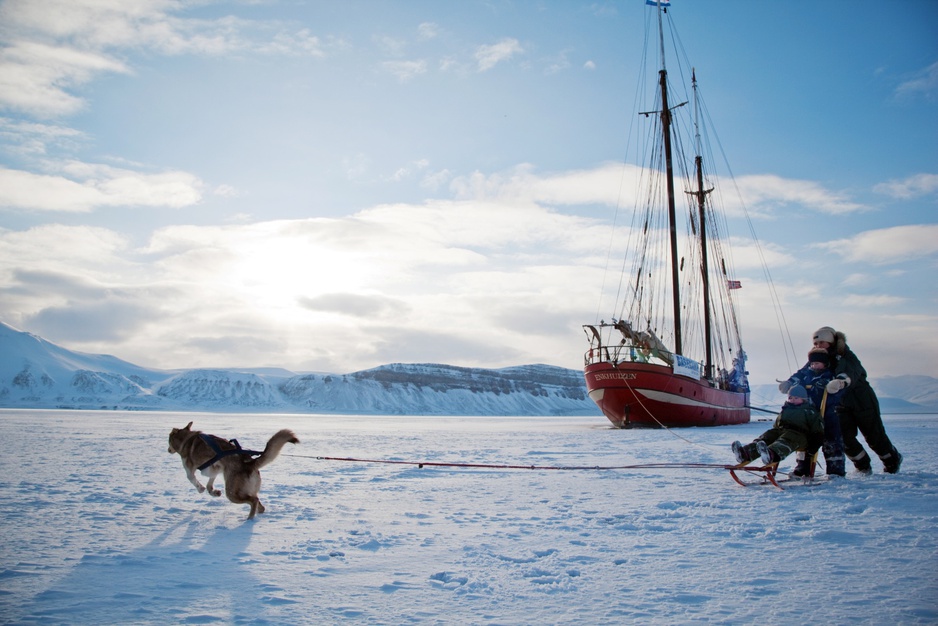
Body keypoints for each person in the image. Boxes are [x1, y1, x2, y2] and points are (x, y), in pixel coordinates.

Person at [812, 326, 902, 474]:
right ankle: (862, 465)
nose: (818, 346)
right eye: (816, 344)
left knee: (874, 436)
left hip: (862, 400)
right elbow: (807, 372)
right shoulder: (819, 358)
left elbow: (850, 372)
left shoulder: (846, 356)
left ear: (831, 341)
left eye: (821, 342)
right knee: (843, 437)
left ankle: (892, 460)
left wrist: (841, 381)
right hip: (840, 403)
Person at [778, 348, 846, 477]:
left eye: (817, 363)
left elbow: (838, 387)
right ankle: (803, 468)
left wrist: (830, 386)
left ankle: (835, 470)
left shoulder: (829, 374)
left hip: (828, 414)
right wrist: (789, 384)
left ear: (824, 364)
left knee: (831, 442)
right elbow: (795, 379)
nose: (814, 365)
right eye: (812, 363)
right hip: (808, 415)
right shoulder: (805, 374)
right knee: (805, 441)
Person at [731, 385, 824, 466]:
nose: (792, 400)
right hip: (781, 431)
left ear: (804, 399)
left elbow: (818, 431)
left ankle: (771, 454)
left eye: (796, 398)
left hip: (799, 436)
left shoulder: (809, 411)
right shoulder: (786, 409)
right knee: (768, 436)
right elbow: (777, 424)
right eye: (790, 398)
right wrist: (775, 431)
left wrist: (813, 447)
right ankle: (745, 453)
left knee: (786, 440)